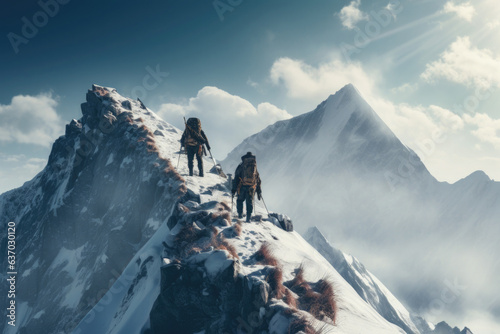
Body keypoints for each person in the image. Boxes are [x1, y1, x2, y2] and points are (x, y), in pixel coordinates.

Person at [231, 152, 262, 222]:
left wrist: (233, 189)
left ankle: (240, 215)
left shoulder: (241, 166)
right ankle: (248, 218)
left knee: (239, 200)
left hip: (242, 187)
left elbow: (236, 178)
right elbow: (258, 179)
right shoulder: (254, 167)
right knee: (249, 202)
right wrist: (259, 191)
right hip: (251, 188)